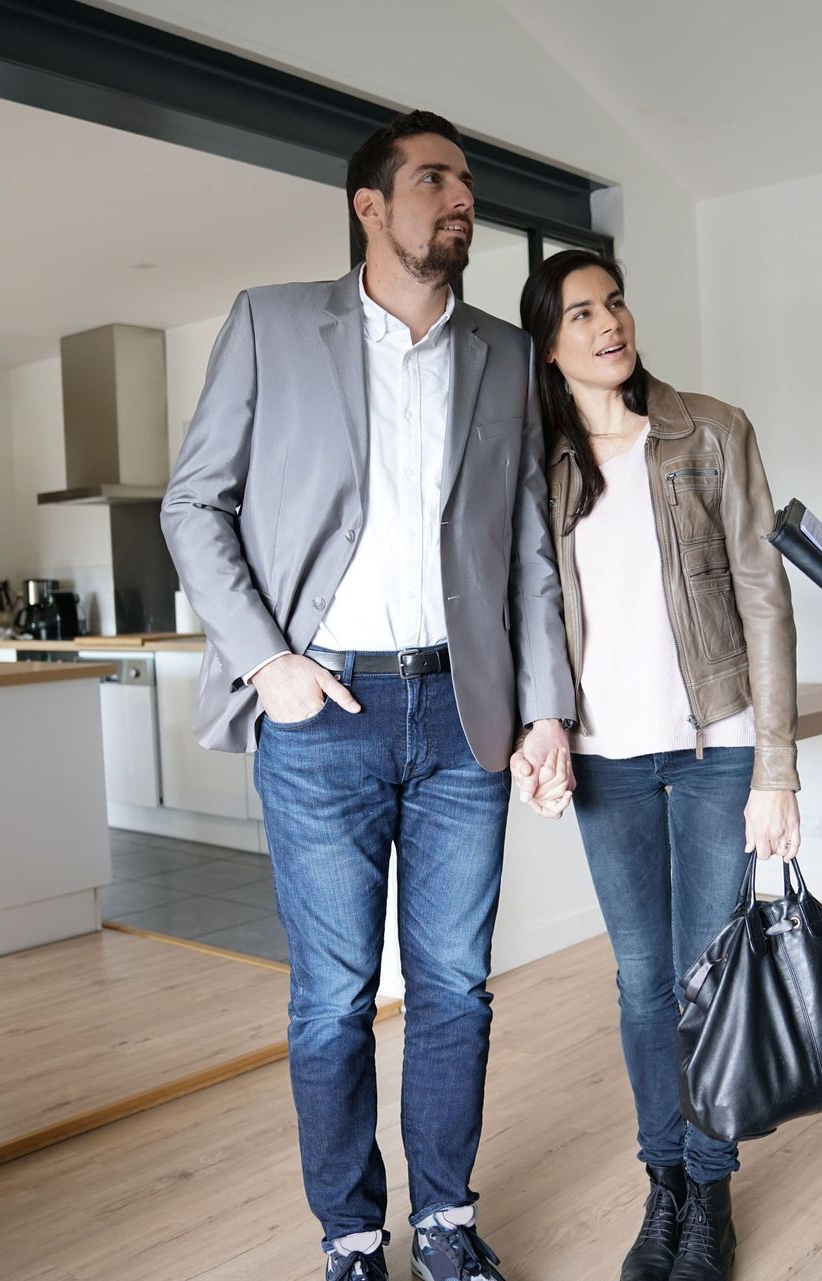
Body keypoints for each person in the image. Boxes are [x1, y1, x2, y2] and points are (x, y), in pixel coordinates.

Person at [161, 109, 576, 1281]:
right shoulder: (272, 323)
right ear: (370, 206)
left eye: (466, 182)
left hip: (462, 716)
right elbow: (193, 504)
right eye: (435, 179)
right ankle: (350, 1237)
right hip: (323, 714)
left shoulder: (505, 354)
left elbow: (527, 548)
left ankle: (445, 1221)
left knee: (455, 989)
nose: (462, 199)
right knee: (334, 1000)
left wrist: (545, 707)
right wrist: (268, 663)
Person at [517, 249, 800, 1281]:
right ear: (549, 346)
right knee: (642, 982)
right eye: (581, 314)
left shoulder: (710, 431)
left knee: (706, 975)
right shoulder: (539, 461)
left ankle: (711, 1193)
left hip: (715, 747)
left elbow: (764, 593)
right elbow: (524, 608)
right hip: (606, 759)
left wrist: (777, 766)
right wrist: (536, 729)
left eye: (616, 304)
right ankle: (665, 1185)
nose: (609, 324)